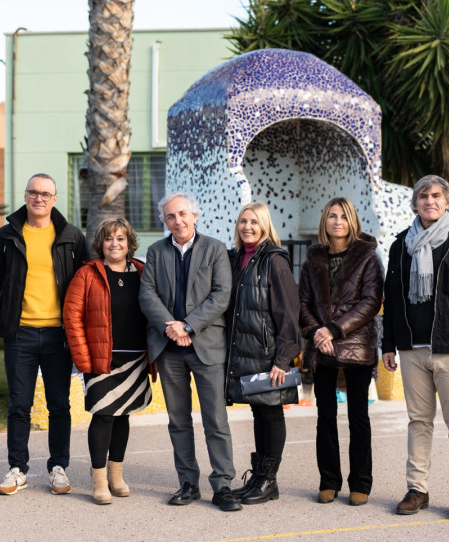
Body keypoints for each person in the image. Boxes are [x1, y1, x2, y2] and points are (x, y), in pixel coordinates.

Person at [382, 175, 449, 521]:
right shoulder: (401, 246)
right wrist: (388, 344)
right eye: (423, 196)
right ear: (416, 203)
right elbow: (392, 298)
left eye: (436, 196)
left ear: (447, 203)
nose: (429, 201)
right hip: (412, 350)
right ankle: (417, 489)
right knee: (418, 422)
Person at [138, 192, 240, 512]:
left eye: (183, 214)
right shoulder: (156, 251)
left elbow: (222, 296)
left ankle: (223, 485)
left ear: (195, 216)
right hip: (169, 347)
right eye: (171, 216)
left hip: (207, 345)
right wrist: (171, 327)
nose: (178, 221)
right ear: (164, 221)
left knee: (215, 419)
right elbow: (147, 294)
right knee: (178, 420)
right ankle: (188, 483)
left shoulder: (215, 248)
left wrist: (188, 326)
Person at [0, 173, 89, 495]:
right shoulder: (7, 234)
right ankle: (17, 468)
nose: (39, 198)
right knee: (19, 405)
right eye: (33, 192)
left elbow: (84, 283)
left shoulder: (72, 237)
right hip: (19, 334)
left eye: (46, 194)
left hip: (58, 336)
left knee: (59, 404)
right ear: (25, 195)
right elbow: (2, 280)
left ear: (55, 199)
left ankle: (58, 467)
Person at [298, 197, 383, 507]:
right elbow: (303, 303)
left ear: (352, 222)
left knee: (358, 417)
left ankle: (360, 483)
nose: (337, 222)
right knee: (326, 418)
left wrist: (334, 330)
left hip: (356, 344)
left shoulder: (368, 258)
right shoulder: (312, 260)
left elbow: (371, 302)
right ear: (325, 221)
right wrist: (318, 333)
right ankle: (328, 481)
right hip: (322, 348)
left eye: (343, 217)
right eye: (332, 216)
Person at [63, 218, 152, 505]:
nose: (115, 244)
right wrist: (83, 359)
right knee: (103, 416)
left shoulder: (142, 271)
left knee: (123, 415)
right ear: (101, 243)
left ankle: (116, 475)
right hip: (102, 359)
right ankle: (99, 479)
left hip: (135, 357)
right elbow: (72, 318)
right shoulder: (87, 273)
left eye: (121, 239)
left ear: (130, 243)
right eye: (109, 238)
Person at [224, 202, 299, 505]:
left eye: (254, 222)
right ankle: (259, 477)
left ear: (265, 225)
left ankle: (269, 481)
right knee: (259, 411)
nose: (247, 227)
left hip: (269, 355)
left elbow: (289, 313)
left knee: (270, 412)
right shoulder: (236, 258)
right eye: (243, 221)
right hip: (245, 351)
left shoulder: (274, 260)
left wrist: (283, 358)